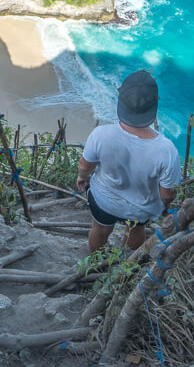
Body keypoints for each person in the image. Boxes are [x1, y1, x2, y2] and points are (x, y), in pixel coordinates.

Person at [76, 70, 181, 253]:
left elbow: (85, 166)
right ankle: (127, 265)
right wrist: (162, 207)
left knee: (100, 229)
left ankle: (94, 263)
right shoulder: (167, 150)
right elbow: (167, 195)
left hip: (103, 201)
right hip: (139, 209)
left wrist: (82, 178)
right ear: (154, 104)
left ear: (121, 100)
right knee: (136, 229)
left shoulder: (101, 135)